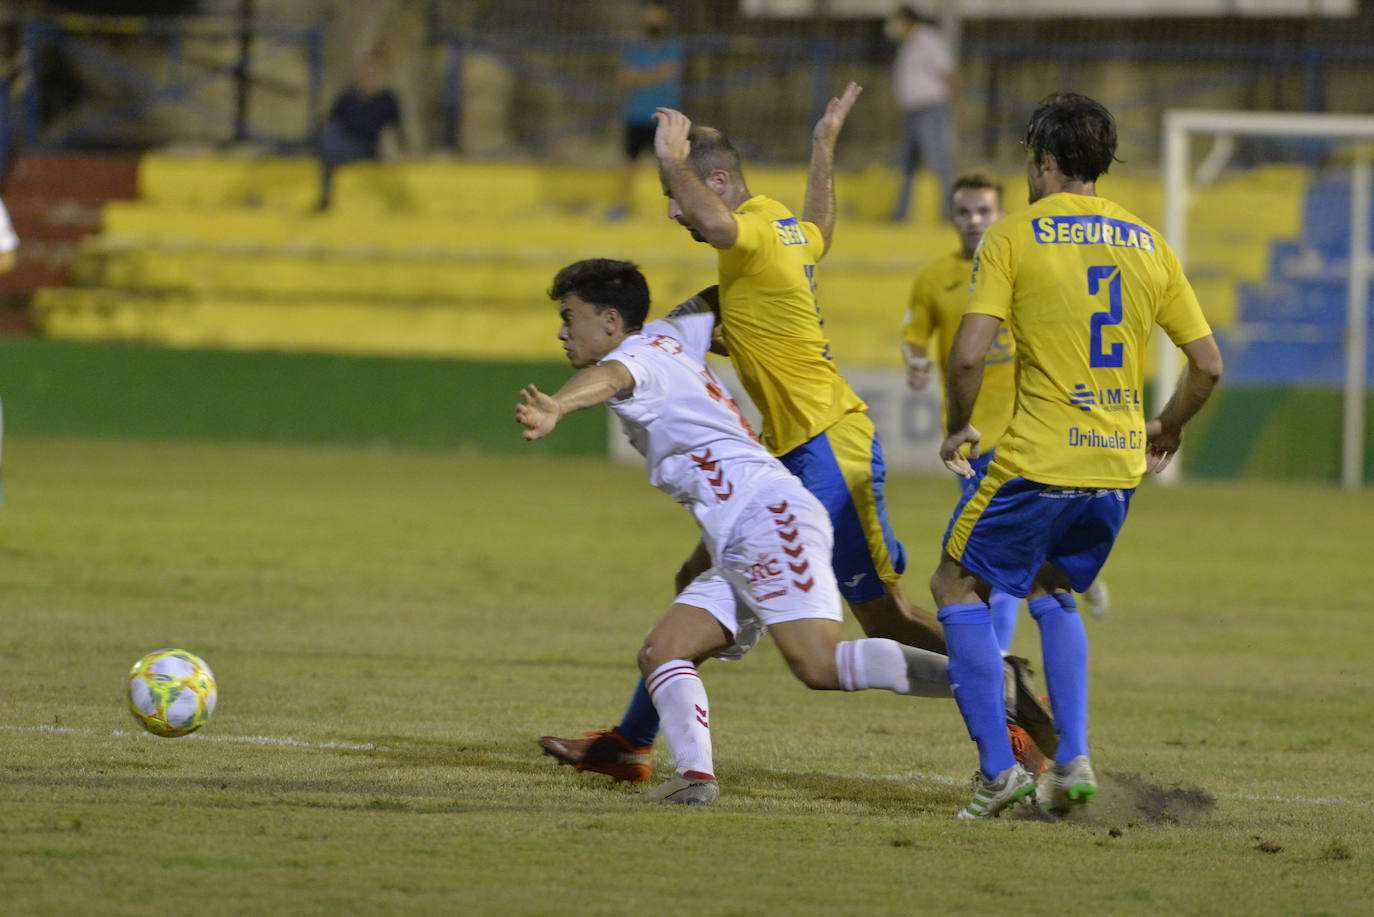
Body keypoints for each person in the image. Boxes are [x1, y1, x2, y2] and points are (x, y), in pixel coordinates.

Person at [538, 85, 1055, 786]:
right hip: (794, 451)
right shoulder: (778, 232)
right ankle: (631, 741)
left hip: (826, 446)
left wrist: (667, 155)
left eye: (678, 192)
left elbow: (720, 229)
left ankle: (1007, 708)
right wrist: (821, 148)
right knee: (701, 578)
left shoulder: (744, 232)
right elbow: (821, 231)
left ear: (716, 183)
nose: (672, 208)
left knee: (882, 619)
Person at [519, 258, 968, 805]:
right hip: (740, 532)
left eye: (570, 317)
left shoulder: (632, 357)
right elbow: (717, 296)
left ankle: (984, 684)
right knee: (664, 650)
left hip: (767, 519)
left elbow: (612, 377)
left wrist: (558, 406)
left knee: (819, 665)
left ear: (611, 321)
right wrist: (787, 266)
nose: (562, 331)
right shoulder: (669, 333)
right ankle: (691, 779)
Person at [928, 92, 1223, 819]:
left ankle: (998, 773)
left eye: (1031, 161)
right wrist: (1170, 425)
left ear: (1046, 160)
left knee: (953, 586)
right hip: (1117, 465)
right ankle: (1073, 759)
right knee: (1051, 584)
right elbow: (1209, 364)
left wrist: (958, 425)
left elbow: (969, 355)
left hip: (1038, 461)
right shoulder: (1150, 242)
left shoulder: (1012, 237)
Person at [902, 173, 1108, 654]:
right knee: (1006, 553)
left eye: (984, 212)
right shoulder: (935, 277)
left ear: (999, 215)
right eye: (964, 212)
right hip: (973, 438)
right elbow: (916, 333)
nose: (974, 221)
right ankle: (1063, 573)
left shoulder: (1026, 263)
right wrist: (914, 361)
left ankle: (998, 663)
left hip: (1027, 433)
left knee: (991, 557)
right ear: (953, 218)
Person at [608, 2, 685, 222]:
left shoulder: (672, 48)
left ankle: (679, 208)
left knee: (673, 166)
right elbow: (625, 78)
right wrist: (654, 75)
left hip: (664, 118)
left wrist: (640, 77)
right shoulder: (636, 49)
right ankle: (621, 205)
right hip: (637, 115)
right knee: (628, 164)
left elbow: (667, 72)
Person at [886, 6, 955, 222]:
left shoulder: (927, 39)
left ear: (906, 20)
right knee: (907, 163)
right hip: (914, 111)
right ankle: (901, 213)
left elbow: (946, 70)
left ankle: (951, 211)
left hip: (930, 108)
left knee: (938, 161)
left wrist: (955, 102)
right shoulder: (908, 45)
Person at [314, 51, 403, 212]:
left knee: (331, 145)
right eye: (365, 72)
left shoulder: (386, 100)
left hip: (364, 147)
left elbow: (396, 128)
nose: (368, 76)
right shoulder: (348, 96)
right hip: (341, 142)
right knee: (332, 137)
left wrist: (401, 152)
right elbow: (331, 119)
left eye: (373, 73)